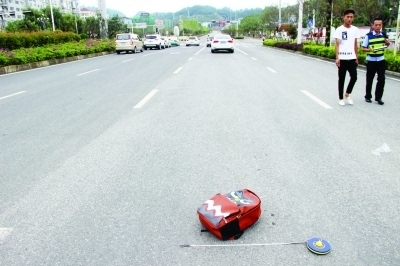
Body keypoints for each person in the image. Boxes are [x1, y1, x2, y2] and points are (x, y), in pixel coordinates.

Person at [361, 18, 390, 105]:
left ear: (381, 26)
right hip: (371, 61)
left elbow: (386, 45)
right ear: (373, 25)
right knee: (370, 80)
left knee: (381, 79)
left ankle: (378, 97)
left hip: (381, 60)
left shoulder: (384, 35)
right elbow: (363, 48)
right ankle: (368, 96)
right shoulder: (368, 36)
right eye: (376, 25)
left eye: (379, 25)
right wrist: (370, 50)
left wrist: (387, 43)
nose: (378, 27)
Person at [334, 9, 360, 106]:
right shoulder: (339, 29)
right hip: (342, 58)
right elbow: (337, 44)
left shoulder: (355, 29)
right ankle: (341, 98)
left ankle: (347, 94)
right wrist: (337, 57)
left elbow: (355, 44)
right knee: (342, 79)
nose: (349, 19)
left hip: (352, 58)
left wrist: (356, 57)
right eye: (347, 17)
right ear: (344, 17)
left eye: (351, 17)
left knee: (354, 77)